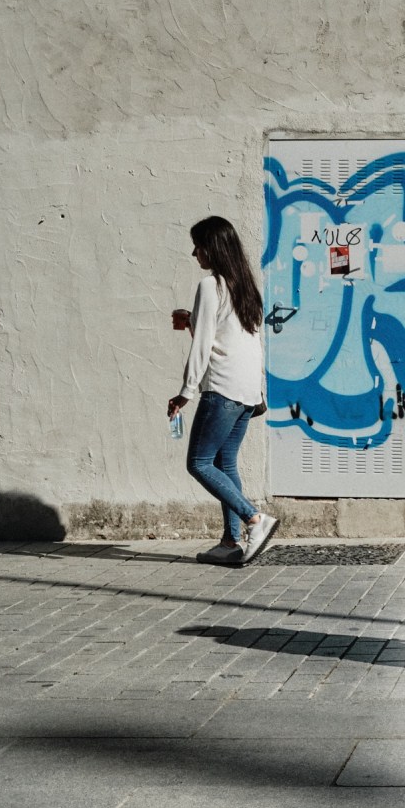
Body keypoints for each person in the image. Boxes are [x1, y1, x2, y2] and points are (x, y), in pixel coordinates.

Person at [167, 215, 280, 565]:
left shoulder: (209, 285)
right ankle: (231, 542)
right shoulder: (245, 287)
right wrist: (192, 320)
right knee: (224, 461)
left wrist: (185, 392)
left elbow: (202, 347)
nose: (193, 253)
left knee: (199, 463)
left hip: (222, 389)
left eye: (198, 246)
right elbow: (236, 341)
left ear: (211, 248)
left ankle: (253, 519)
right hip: (245, 391)